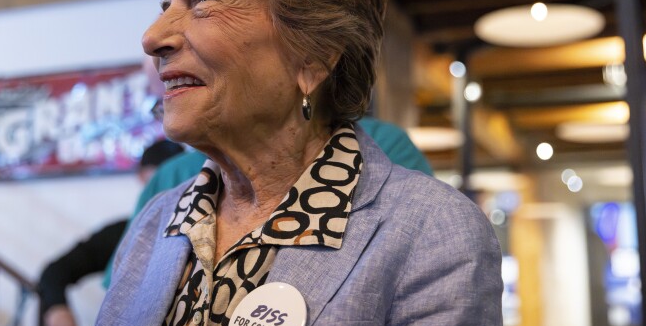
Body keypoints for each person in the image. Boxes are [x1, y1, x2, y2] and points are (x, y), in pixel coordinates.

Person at [77, 0, 502, 326]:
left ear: (314, 56)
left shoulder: (430, 234)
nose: (153, 37)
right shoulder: (156, 225)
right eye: (167, 2)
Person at [101, 116, 434, 288]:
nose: (154, 39)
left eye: (205, 1)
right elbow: (124, 300)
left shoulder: (384, 148)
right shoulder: (164, 192)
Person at [38, 138, 184, 326]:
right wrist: (58, 309)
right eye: (161, 176)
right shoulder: (124, 233)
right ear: (143, 178)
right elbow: (54, 272)